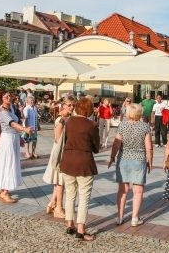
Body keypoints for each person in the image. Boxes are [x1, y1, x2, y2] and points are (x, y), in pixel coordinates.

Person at [60, 97, 100, 242]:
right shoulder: (92, 125)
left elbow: (65, 140)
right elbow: (96, 148)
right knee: (84, 197)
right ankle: (81, 230)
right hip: (84, 163)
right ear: (89, 110)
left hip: (68, 161)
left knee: (70, 194)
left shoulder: (69, 122)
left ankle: (69, 224)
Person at [108, 103, 153, 227]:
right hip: (139, 160)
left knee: (123, 190)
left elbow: (116, 144)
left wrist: (112, 157)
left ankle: (120, 217)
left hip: (123, 159)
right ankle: (134, 218)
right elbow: (149, 146)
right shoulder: (145, 127)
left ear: (128, 113)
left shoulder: (122, 125)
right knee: (138, 191)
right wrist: (150, 160)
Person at [0, 92, 32, 203]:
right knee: (8, 164)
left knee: (6, 163)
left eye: (10, 96)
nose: (9, 97)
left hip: (13, 138)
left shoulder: (10, 109)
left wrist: (20, 137)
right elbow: (12, 124)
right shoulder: (2, 113)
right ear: (1, 99)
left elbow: (15, 123)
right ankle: (4, 192)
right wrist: (24, 129)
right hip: (8, 140)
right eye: (6, 96)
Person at [43, 94, 75, 219]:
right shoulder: (61, 120)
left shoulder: (68, 118)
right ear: (63, 106)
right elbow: (58, 139)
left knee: (60, 181)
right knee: (60, 182)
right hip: (60, 153)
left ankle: (52, 203)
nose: (72, 107)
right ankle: (58, 208)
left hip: (64, 152)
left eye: (73, 105)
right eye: (69, 105)